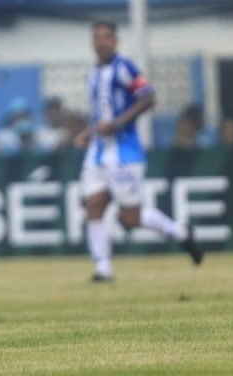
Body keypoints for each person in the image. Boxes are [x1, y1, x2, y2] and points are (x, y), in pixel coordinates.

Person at [77, 21, 203, 283]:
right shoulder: (92, 74)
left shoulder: (125, 67)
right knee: (94, 204)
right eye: (97, 37)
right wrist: (89, 133)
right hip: (98, 151)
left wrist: (117, 124)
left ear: (115, 40)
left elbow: (148, 98)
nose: (101, 42)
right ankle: (103, 268)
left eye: (106, 37)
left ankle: (179, 231)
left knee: (130, 218)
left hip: (125, 152)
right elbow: (101, 113)